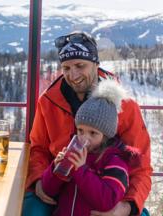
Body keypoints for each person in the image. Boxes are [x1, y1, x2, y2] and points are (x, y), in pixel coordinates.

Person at [23, 31, 152, 216]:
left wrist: (126, 207)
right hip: (59, 188)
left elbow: (141, 165)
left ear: (96, 64)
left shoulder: (124, 105)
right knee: (31, 211)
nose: (73, 75)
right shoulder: (49, 101)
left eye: (80, 66)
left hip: (106, 192)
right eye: (66, 68)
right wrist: (38, 182)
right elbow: (38, 149)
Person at [41, 80, 140, 215]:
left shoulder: (115, 162)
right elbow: (49, 190)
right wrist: (56, 169)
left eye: (93, 133)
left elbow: (107, 201)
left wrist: (81, 170)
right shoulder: (74, 154)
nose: (84, 138)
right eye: (80, 130)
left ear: (106, 136)